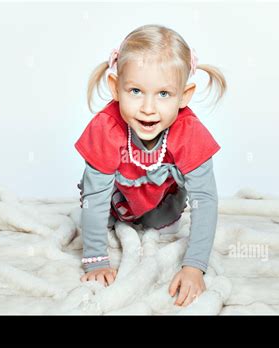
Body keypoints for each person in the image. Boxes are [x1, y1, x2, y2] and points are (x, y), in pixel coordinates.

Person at [74, 24, 227, 307]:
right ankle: (118, 222)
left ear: (184, 95)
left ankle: (153, 220)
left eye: (164, 94)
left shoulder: (189, 133)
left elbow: (205, 200)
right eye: (135, 91)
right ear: (115, 88)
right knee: (99, 210)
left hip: (160, 207)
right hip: (114, 203)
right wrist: (95, 259)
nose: (148, 107)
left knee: (161, 224)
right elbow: (95, 199)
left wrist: (194, 266)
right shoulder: (106, 129)